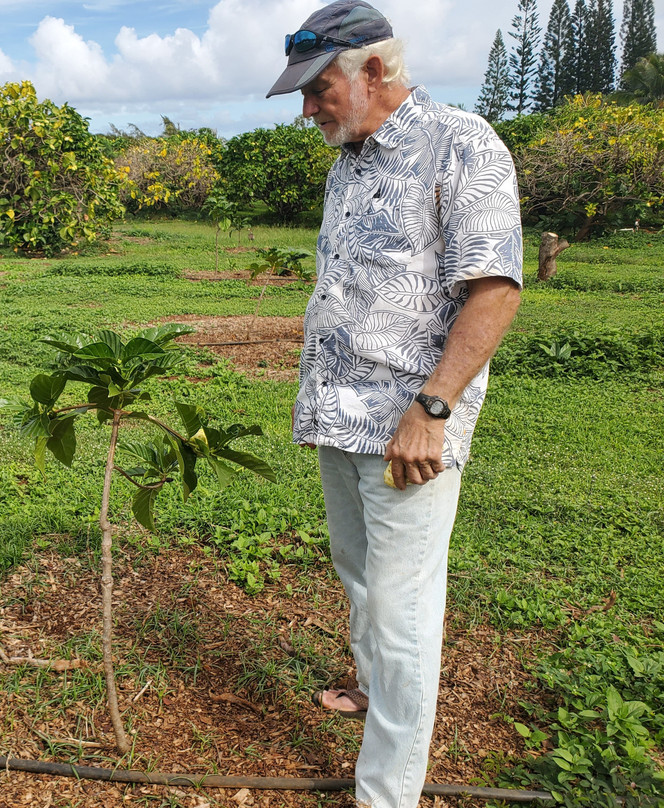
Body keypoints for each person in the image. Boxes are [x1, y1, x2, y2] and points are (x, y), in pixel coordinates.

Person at [266, 2, 523, 806]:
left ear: (374, 70)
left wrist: (434, 410)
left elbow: (494, 289)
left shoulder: (463, 143)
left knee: (405, 612)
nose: (309, 110)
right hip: (341, 416)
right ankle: (376, 697)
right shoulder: (350, 159)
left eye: (318, 91)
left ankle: (387, 793)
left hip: (411, 430)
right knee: (361, 580)